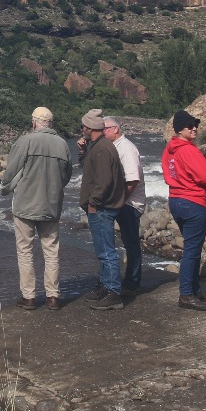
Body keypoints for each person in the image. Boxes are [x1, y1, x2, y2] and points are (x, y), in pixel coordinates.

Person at [0, 106, 73, 311]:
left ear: (34, 123)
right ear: (51, 123)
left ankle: (29, 297)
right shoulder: (62, 144)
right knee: (51, 251)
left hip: (25, 204)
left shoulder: (25, 141)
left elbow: (11, 170)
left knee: (25, 251)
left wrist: (4, 188)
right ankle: (53, 297)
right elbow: (66, 175)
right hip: (51, 205)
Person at [162, 110, 206, 311]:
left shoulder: (169, 150)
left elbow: (168, 174)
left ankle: (194, 289)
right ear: (179, 129)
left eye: (196, 125)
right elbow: (205, 176)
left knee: (191, 246)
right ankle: (186, 294)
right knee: (192, 250)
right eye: (190, 126)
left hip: (176, 200)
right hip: (194, 201)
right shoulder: (189, 150)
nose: (194, 129)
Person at [78, 110, 127, 310]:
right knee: (103, 250)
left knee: (106, 251)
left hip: (102, 208)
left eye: (83, 126)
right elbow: (89, 169)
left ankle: (113, 291)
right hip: (102, 206)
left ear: (89, 128)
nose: (82, 129)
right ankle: (106, 286)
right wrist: (83, 151)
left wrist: (93, 202)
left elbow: (103, 181)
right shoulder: (99, 146)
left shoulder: (101, 149)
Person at [103, 115, 146, 297]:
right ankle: (121, 281)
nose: (102, 132)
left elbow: (132, 180)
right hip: (121, 202)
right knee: (123, 242)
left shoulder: (126, 148)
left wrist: (119, 200)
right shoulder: (114, 147)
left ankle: (132, 283)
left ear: (115, 129)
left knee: (131, 243)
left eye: (105, 129)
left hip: (129, 203)